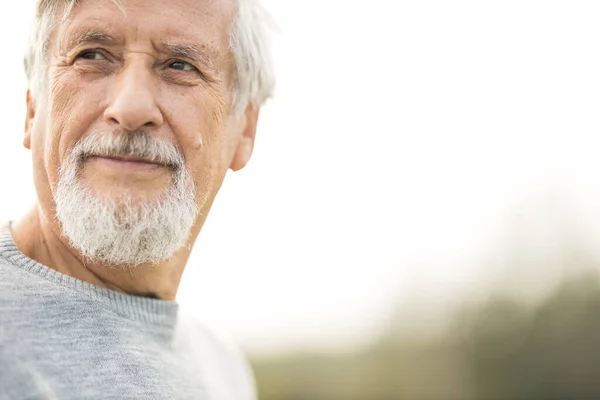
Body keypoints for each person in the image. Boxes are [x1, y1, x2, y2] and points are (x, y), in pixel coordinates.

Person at [0, 0, 274, 398]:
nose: (130, 108)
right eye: (91, 55)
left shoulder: (223, 370)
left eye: (180, 65)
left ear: (245, 129)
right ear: (31, 109)